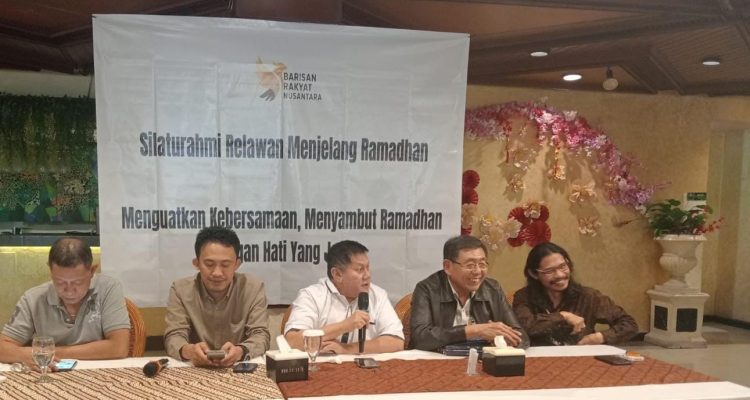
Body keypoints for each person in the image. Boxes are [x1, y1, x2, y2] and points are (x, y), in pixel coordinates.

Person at [0, 237, 130, 368]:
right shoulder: (33, 299)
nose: (69, 291)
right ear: (50, 271)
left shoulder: (108, 289)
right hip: (50, 373)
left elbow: (119, 347)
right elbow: (3, 347)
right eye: (60, 282)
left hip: (99, 373)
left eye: (77, 282)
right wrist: (23, 355)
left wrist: (47, 353)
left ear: (92, 271)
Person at [164, 226, 270, 367]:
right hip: (194, 368)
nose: (217, 273)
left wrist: (241, 351)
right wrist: (189, 351)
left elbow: (261, 335)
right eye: (209, 264)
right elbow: (174, 336)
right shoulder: (180, 290)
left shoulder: (253, 289)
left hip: (238, 368)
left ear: (237, 264)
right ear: (196, 263)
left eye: (225, 265)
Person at [410, 235, 529, 351]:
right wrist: (474, 330)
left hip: (481, 359)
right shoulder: (427, 289)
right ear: (447, 266)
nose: (477, 271)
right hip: (438, 360)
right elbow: (420, 338)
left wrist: (505, 340)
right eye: (470, 265)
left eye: (482, 264)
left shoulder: (492, 289)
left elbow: (520, 335)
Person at [284, 240, 404, 354]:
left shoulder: (378, 295)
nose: (367, 275)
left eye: (368, 268)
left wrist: (347, 349)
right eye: (360, 269)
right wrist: (344, 326)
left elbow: (397, 342)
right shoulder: (312, 296)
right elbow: (292, 342)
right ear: (337, 274)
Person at [512, 241, 638, 346]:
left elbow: (629, 324)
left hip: (581, 359)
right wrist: (563, 316)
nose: (560, 275)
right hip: (539, 360)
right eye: (549, 271)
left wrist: (600, 337)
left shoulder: (588, 296)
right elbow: (523, 327)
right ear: (534, 274)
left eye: (563, 266)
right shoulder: (524, 297)